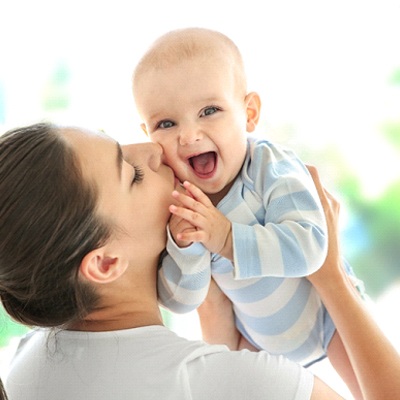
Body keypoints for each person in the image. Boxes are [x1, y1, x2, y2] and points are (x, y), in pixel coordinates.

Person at [0, 122, 399, 399]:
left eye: (121, 144)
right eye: (133, 174)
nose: (155, 150)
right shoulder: (245, 386)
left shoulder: (25, 365)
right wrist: (330, 277)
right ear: (105, 264)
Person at [132, 27, 363, 398]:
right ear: (148, 135)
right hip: (255, 343)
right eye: (167, 123)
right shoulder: (181, 202)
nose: (189, 135)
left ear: (249, 113)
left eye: (209, 111)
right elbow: (182, 300)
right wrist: (185, 245)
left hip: (327, 318)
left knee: (373, 387)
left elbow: (311, 247)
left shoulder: (270, 167)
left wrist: (224, 238)